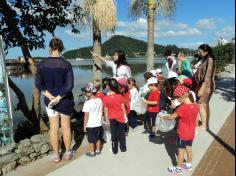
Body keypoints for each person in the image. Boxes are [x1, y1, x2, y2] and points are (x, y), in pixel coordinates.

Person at [35, 37, 74, 162]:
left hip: (50, 101)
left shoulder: (41, 65)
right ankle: (68, 152)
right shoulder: (66, 64)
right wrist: (59, 97)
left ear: (49, 48)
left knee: (53, 128)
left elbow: (38, 84)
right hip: (65, 99)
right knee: (66, 127)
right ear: (61, 48)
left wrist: (49, 96)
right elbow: (69, 85)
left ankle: (56, 155)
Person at [161, 85, 199, 175]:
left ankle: (178, 169)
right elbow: (196, 121)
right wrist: (195, 129)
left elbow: (172, 117)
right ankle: (188, 166)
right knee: (189, 149)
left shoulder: (182, 108)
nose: (177, 99)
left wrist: (163, 116)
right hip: (191, 133)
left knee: (180, 152)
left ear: (181, 96)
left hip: (183, 133)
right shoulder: (195, 106)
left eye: (177, 97)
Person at [195, 44, 216, 130]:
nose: (199, 53)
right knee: (204, 104)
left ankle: (204, 125)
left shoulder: (210, 60)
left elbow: (208, 75)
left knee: (200, 104)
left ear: (206, 52)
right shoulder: (205, 59)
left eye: (200, 52)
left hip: (206, 85)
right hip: (203, 84)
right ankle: (205, 123)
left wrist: (202, 88)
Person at [103, 78, 127, 154]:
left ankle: (115, 149)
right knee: (122, 133)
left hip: (112, 118)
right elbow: (123, 107)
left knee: (114, 134)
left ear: (108, 87)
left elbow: (106, 110)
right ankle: (123, 148)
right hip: (121, 117)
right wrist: (125, 116)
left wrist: (106, 119)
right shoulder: (119, 96)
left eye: (107, 85)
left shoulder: (106, 98)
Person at [82, 83, 104, 157]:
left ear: (90, 92)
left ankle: (92, 152)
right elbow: (101, 111)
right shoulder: (99, 100)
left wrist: (85, 126)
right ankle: (98, 150)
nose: (85, 92)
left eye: (86, 91)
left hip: (91, 125)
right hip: (99, 123)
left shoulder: (87, 103)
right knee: (98, 138)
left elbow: (86, 116)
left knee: (91, 140)